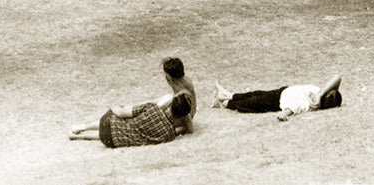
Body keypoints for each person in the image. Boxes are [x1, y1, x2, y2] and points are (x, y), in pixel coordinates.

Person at [69, 92, 193, 147]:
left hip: (109, 123)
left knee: (113, 121)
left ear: (171, 105)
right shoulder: (169, 134)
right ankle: (78, 137)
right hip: (111, 141)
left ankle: (83, 127)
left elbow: (121, 113)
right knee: (111, 135)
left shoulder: (152, 108)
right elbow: (185, 129)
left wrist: (113, 105)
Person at [212, 75, 342, 121]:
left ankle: (225, 101)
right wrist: (320, 94)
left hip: (278, 101)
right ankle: (226, 95)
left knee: (251, 102)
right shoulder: (319, 92)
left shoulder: (312, 104)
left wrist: (284, 114)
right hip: (283, 92)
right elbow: (337, 78)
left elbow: (295, 106)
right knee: (254, 95)